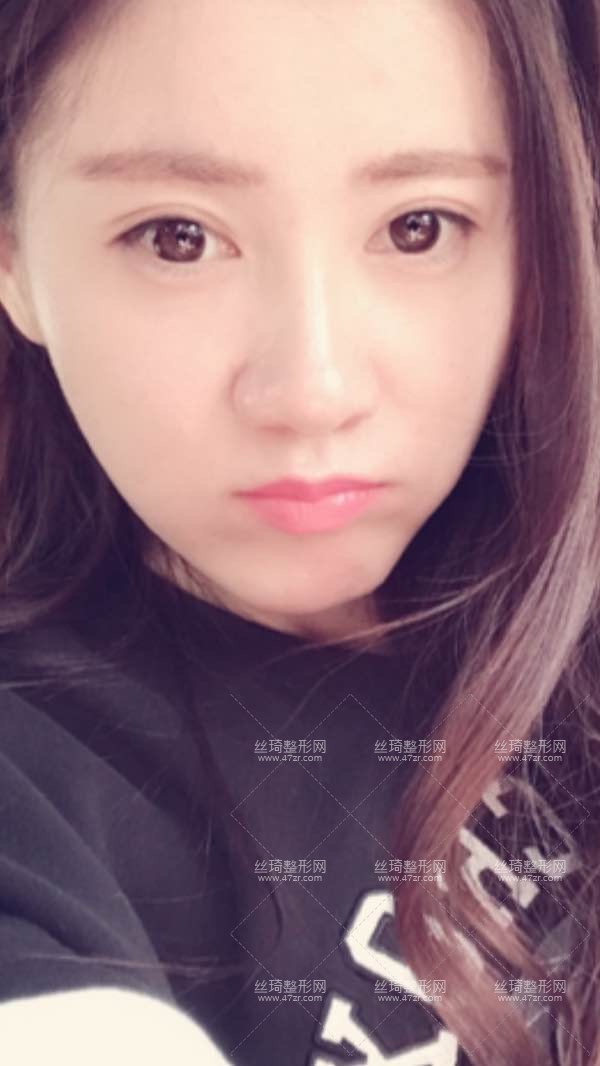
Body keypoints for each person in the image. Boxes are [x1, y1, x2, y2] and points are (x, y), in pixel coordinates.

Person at [0, 0, 598, 1063]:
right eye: (177, 237)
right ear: (13, 259)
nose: (313, 390)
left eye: (420, 227)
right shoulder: (36, 781)